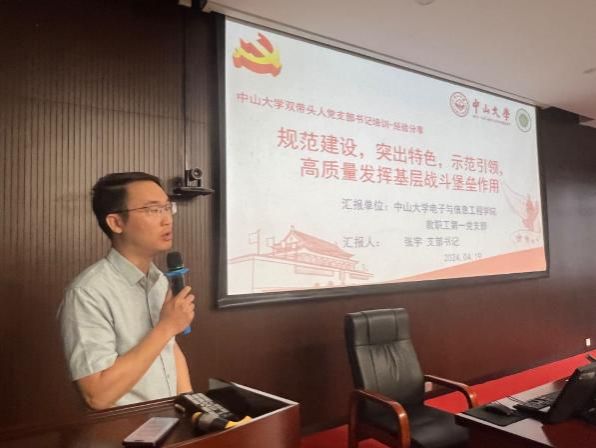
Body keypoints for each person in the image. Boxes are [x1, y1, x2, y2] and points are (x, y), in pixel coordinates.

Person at [58, 172, 195, 410]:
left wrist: (191, 405)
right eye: (153, 210)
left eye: (167, 207)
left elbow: (170, 348)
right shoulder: (87, 293)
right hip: (126, 426)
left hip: (171, 419)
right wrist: (166, 327)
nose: (167, 220)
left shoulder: (159, 281)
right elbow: (97, 396)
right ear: (116, 223)